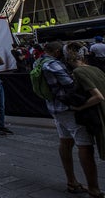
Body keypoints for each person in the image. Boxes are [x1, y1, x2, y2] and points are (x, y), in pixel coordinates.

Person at [39, 41, 102, 197]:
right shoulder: (54, 64)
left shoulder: (39, 61)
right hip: (69, 109)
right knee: (85, 146)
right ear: (56, 51)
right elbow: (70, 85)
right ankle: (94, 189)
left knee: (65, 142)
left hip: (55, 109)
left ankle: (72, 182)